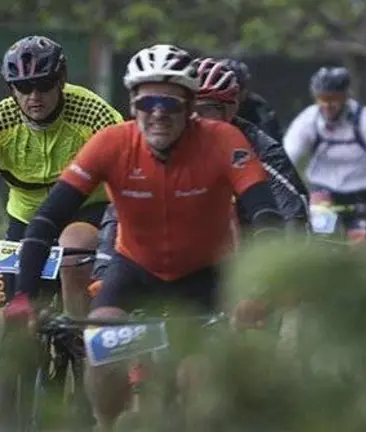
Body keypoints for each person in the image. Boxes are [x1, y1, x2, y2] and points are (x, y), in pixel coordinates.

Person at [2, 44, 283, 430]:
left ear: (190, 105)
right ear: (133, 104)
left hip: (206, 276)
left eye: (170, 103)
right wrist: (23, 297)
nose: (158, 114)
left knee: (197, 380)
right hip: (133, 272)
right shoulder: (113, 143)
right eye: (147, 102)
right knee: (102, 357)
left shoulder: (222, 139)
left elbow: (267, 215)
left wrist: (258, 290)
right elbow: (47, 219)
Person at [89, 57, 309, 282]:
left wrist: (282, 268)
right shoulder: (157, 145)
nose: (194, 118)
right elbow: (121, 212)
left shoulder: (257, 147)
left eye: (205, 109)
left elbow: (292, 208)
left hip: (246, 251)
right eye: (185, 107)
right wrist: (103, 270)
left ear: (231, 110)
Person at [0, 35, 122, 318]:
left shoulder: (94, 114)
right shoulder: (4, 120)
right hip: (26, 217)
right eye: (24, 87)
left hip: (86, 209)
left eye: (44, 84)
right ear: (11, 88)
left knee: (74, 246)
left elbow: (129, 168)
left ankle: (78, 330)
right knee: (15, 308)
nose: (34, 96)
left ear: (61, 80)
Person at [283, 66, 366, 242]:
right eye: (322, 99)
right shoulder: (309, 119)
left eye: (334, 99)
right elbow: (287, 155)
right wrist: (278, 188)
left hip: (360, 193)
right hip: (322, 191)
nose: (328, 105)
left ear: (345, 97)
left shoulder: (365, 117)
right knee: (323, 240)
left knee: (362, 243)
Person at [222, 58, 284, 142]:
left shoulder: (258, 107)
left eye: (238, 87)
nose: (233, 93)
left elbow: (272, 141)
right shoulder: (207, 106)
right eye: (224, 86)